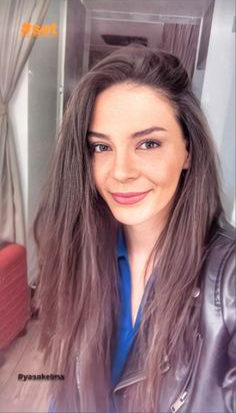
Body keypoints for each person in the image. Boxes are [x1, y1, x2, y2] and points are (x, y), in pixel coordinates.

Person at [33, 44, 236, 413]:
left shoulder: (229, 280)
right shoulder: (84, 252)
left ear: (188, 150)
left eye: (148, 143)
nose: (121, 171)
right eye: (100, 147)